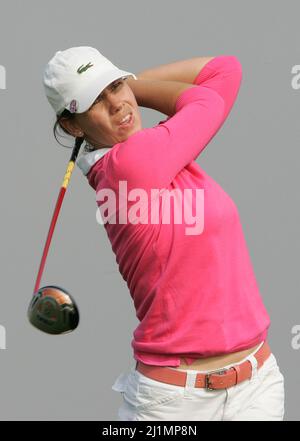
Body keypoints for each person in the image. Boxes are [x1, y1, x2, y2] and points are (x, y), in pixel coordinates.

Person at [43, 46, 285, 421]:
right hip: (176, 402)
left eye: (115, 86)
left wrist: (125, 87)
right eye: (95, 100)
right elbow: (207, 95)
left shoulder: (159, 154)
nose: (117, 105)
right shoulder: (130, 165)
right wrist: (131, 90)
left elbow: (225, 68)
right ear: (73, 126)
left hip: (256, 385)